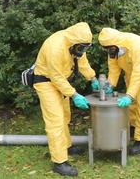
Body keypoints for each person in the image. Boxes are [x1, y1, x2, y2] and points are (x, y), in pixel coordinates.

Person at [32, 22, 100, 177]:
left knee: (65, 116)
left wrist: (93, 78)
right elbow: (55, 77)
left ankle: (66, 146)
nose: (82, 51)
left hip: (61, 82)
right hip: (45, 82)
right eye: (81, 48)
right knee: (55, 121)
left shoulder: (76, 45)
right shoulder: (54, 47)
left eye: (85, 48)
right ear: (73, 43)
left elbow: (82, 63)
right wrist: (74, 94)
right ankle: (59, 162)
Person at [97, 27, 140, 155]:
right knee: (132, 103)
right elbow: (114, 67)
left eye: (111, 49)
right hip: (131, 71)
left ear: (117, 44)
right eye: (107, 49)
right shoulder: (113, 48)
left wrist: (130, 95)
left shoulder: (138, 46)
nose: (109, 52)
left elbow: (139, 72)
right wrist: (111, 84)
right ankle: (133, 127)